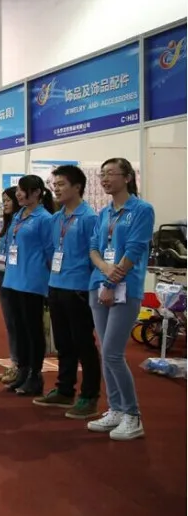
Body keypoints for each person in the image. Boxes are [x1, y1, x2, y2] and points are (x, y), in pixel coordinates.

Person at [86, 157, 153, 441]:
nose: (104, 179)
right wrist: (104, 270)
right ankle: (115, 408)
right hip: (98, 284)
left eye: (110, 173)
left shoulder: (142, 210)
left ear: (127, 177)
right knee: (106, 352)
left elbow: (135, 249)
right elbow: (93, 247)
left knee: (114, 353)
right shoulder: (104, 213)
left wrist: (112, 280)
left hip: (126, 287)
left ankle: (132, 415)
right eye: (102, 174)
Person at [33, 165, 101, 418]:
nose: (56, 189)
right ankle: (64, 390)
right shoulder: (56, 218)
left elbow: (96, 255)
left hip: (79, 289)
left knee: (84, 344)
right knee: (63, 343)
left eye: (61, 184)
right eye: (55, 184)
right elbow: (53, 251)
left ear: (77, 187)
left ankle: (89, 396)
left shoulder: (89, 218)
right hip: (56, 285)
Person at [1, 175, 56, 395]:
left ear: (36, 193)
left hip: (32, 281)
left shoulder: (45, 218)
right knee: (18, 328)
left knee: (33, 329)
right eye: (18, 191)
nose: (18, 194)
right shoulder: (18, 215)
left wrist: (51, 281)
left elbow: (50, 251)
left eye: (22, 190)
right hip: (12, 279)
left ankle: (35, 375)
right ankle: (22, 370)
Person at [0, 187, 22, 384]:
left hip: (19, 280)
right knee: (11, 325)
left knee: (19, 325)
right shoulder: (8, 224)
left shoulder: (21, 224)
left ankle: (20, 366)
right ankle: (14, 363)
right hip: (4, 277)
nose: (5, 204)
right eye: (3, 200)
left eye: (8, 200)